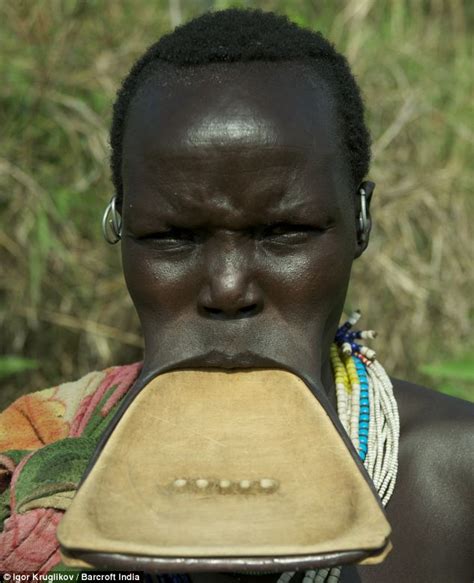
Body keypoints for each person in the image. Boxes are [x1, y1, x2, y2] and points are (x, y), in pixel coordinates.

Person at [0, 8, 472, 583]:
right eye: (172, 237)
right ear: (121, 229)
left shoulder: (456, 483)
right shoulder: (36, 467)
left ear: (361, 221)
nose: (227, 290)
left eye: (284, 232)